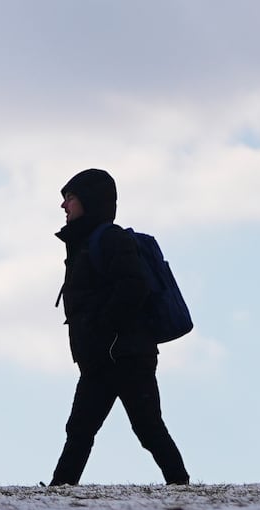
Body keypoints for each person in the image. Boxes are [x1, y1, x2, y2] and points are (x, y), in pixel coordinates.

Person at [49, 168, 190, 486]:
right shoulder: (83, 243)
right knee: (80, 428)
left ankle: (180, 486)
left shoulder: (110, 239)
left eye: (69, 198)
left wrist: (103, 328)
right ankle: (60, 489)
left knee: (148, 428)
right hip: (102, 357)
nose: (63, 206)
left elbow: (133, 287)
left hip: (125, 355)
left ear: (89, 200)